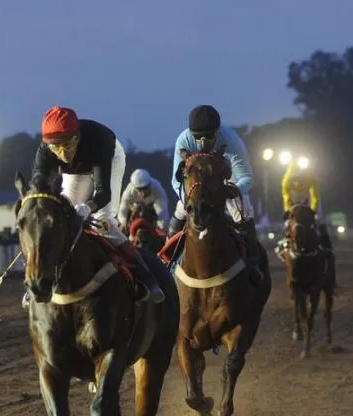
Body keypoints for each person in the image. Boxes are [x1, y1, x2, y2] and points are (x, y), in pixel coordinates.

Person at [27, 106, 165, 307]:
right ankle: (47, 279)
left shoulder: (97, 141)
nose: (62, 153)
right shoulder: (45, 152)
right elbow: (37, 190)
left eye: (67, 145)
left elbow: (103, 193)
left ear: (78, 137)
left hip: (108, 159)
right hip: (77, 172)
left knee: (103, 222)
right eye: (56, 148)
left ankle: (147, 277)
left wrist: (87, 207)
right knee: (66, 220)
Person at [168, 104, 263, 281]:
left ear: (218, 131)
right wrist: (189, 200)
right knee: (181, 208)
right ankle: (168, 258)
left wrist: (232, 192)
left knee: (243, 210)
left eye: (208, 136)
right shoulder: (183, 140)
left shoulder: (232, 141)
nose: (203, 142)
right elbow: (176, 181)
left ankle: (253, 263)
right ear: (190, 132)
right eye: (197, 137)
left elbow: (247, 178)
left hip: (226, 177)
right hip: (197, 180)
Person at [280, 159, 334, 253]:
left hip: (308, 205)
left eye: (300, 178)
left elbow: (315, 196)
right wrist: (289, 210)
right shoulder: (286, 181)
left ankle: (327, 246)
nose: (298, 182)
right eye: (295, 179)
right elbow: (286, 197)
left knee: (319, 223)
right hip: (294, 206)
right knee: (287, 224)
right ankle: (284, 245)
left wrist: (314, 209)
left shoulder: (312, 179)